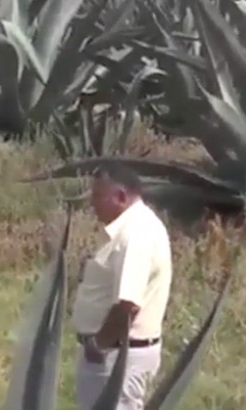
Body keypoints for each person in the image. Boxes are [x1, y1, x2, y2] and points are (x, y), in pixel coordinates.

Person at [71, 166, 172, 410]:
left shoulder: (135, 236)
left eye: (98, 196)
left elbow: (128, 304)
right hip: (115, 353)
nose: (92, 204)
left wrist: (99, 345)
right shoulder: (135, 228)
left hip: (117, 357)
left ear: (120, 197)